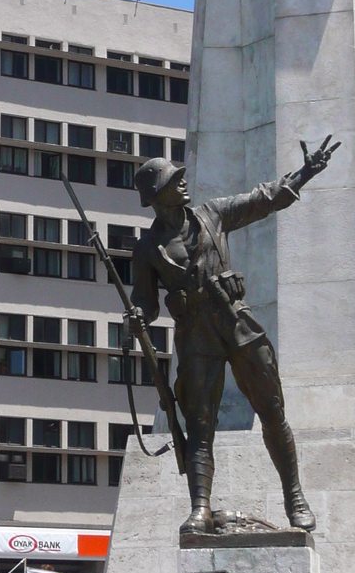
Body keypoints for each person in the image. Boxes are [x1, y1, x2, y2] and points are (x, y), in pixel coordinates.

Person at [131, 138, 339, 537]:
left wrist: (306, 172)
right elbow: (146, 301)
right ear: (156, 195)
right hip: (195, 336)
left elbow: (263, 200)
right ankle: (200, 509)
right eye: (174, 182)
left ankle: (294, 495)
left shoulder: (212, 215)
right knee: (199, 425)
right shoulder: (147, 249)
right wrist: (139, 315)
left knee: (272, 410)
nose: (183, 184)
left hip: (236, 323)